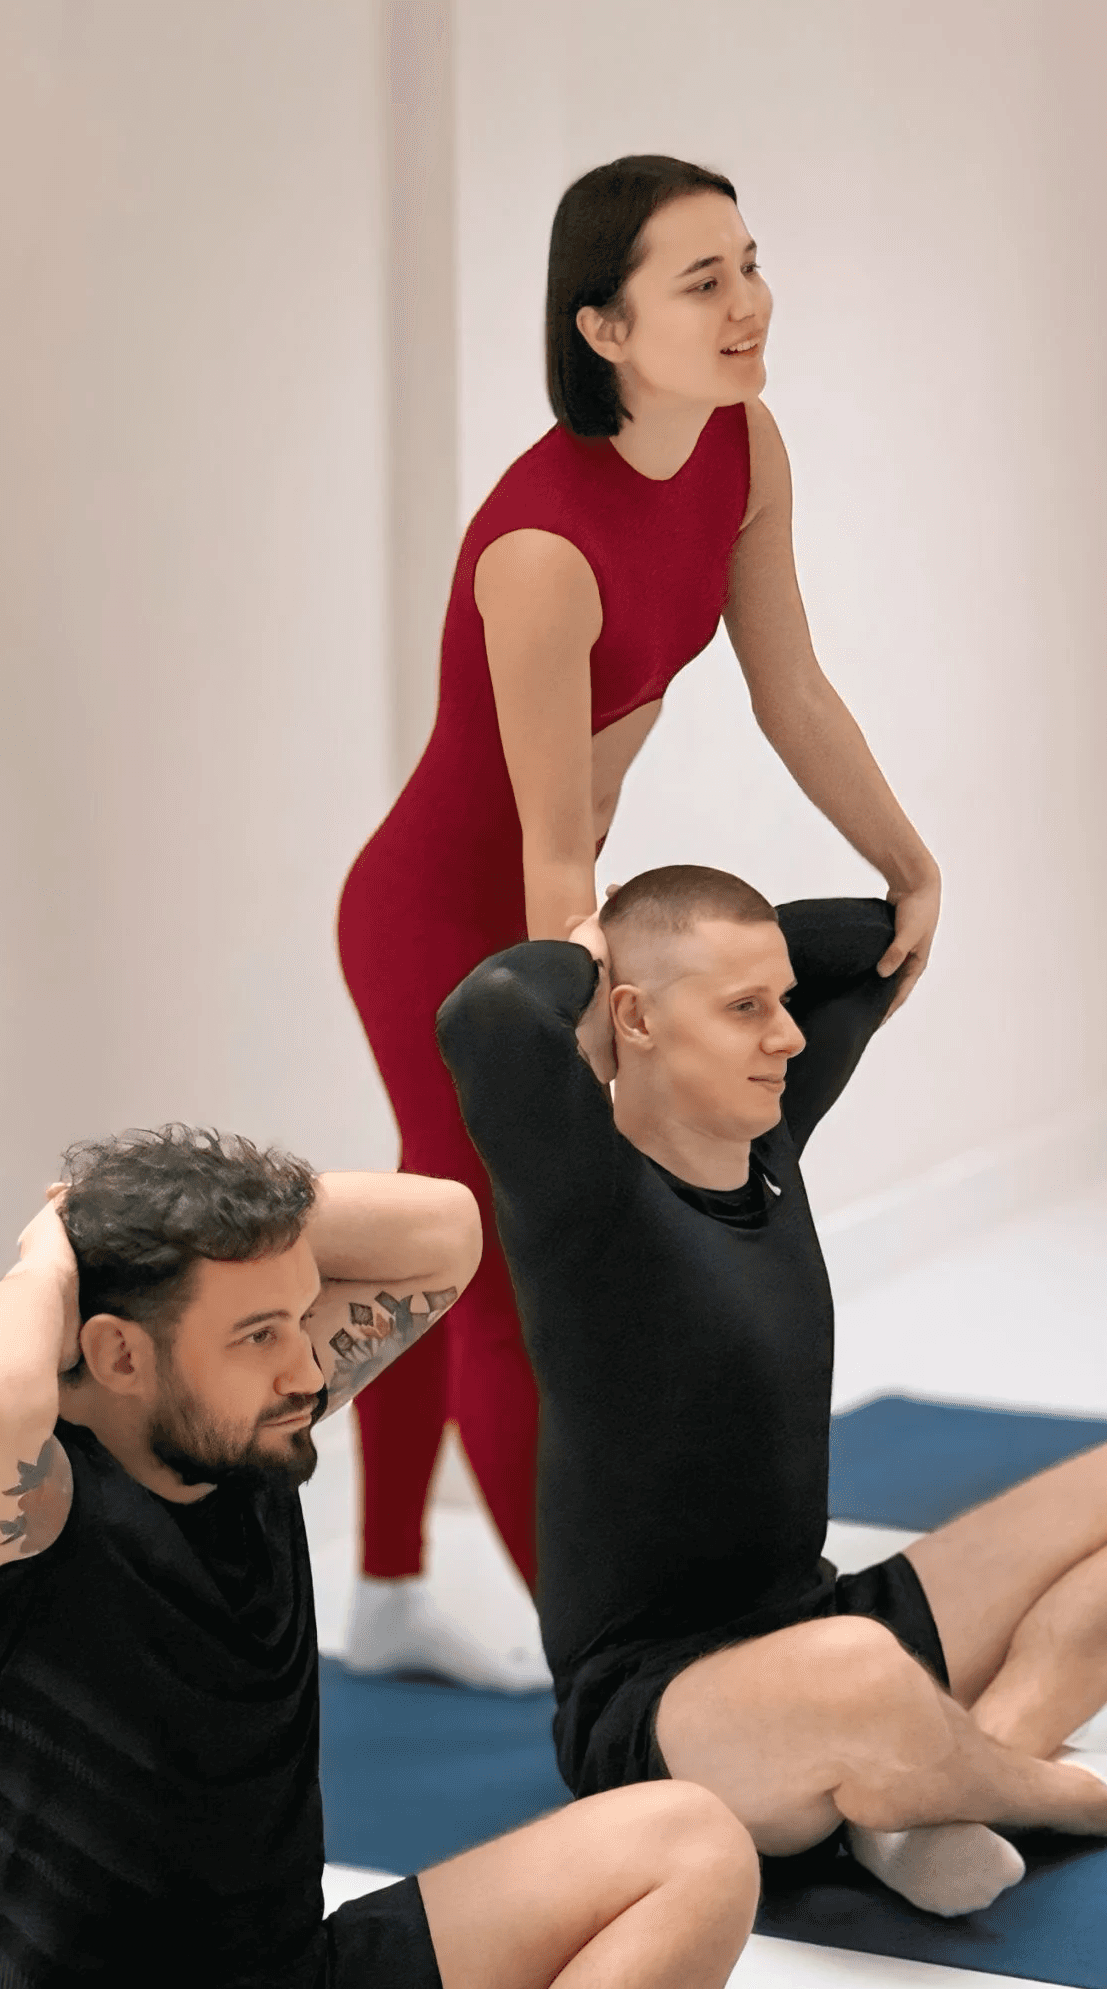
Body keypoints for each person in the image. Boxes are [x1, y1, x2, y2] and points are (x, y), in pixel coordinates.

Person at [0, 1126, 760, 1989]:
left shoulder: (241, 1431)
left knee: (692, 1839)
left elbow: (445, 1227)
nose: (303, 1368)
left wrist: (182, 1221)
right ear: (115, 1354)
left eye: (298, 1319)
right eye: (256, 1334)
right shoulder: (11, 1514)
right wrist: (48, 1254)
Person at [336, 153, 941, 1689]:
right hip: (447, 921)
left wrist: (908, 859)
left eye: (751, 264)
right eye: (703, 280)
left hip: (557, 898)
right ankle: (609, 1665)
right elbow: (551, 851)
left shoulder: (742, 445)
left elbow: (791, 686)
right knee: (500, 1261)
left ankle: (390, 1591)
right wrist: (585, 1016)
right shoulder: (542, 548)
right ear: (603, 328)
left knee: (430, 1225)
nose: (750, 304)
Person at [438, 870, 1107, 1919]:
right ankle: (1092, 1796)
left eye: (782, 1002)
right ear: (634, 1019)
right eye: (745, 1007)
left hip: (822, 1617)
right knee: (860, 1672)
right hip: (657, 1708)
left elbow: (878, 940)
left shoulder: (769, 1147)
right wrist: (596, 945)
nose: (787, 1036)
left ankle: (921, 1805)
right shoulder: (583, 1193)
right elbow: (488, 1012)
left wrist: (896, 886)